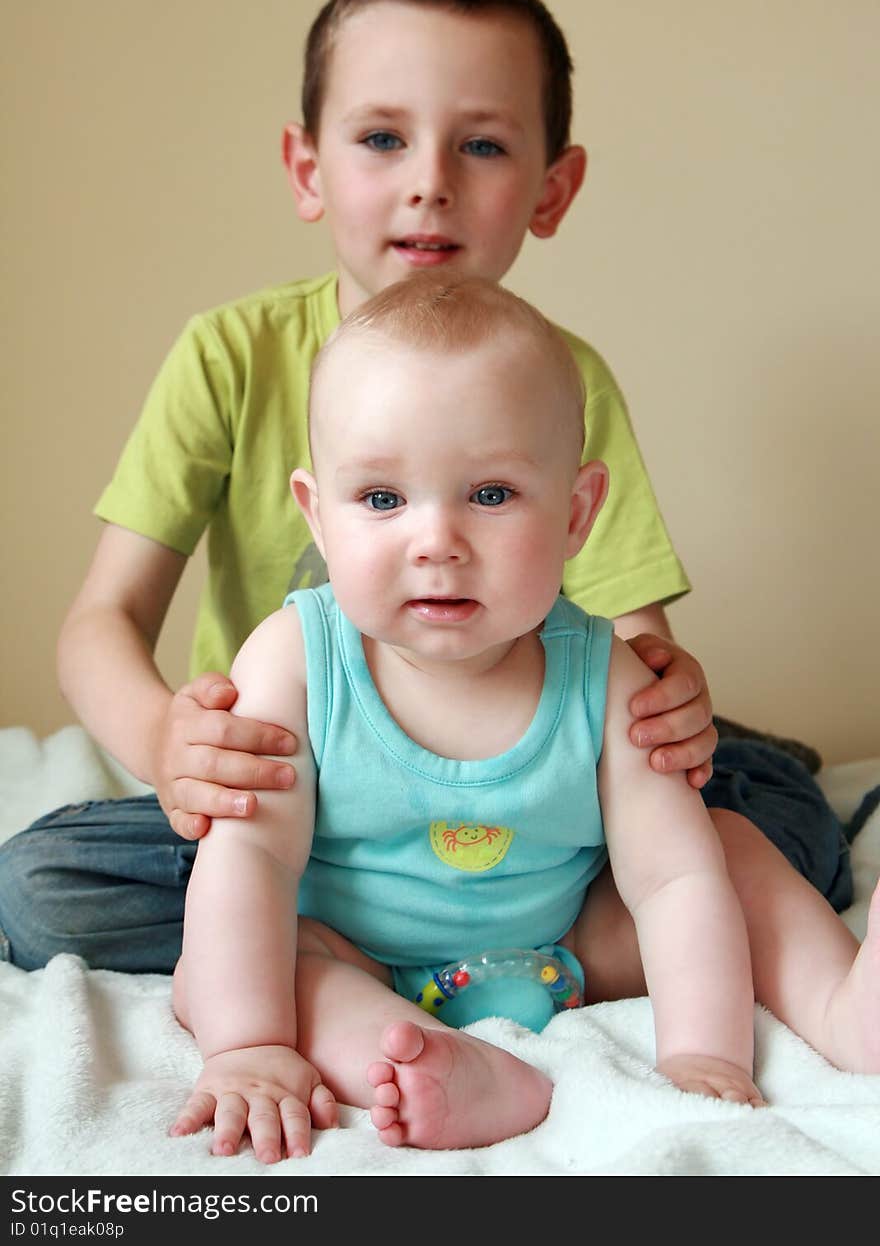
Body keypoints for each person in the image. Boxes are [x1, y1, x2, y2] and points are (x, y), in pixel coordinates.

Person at [0, 0, 849, 976]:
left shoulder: (563, 378)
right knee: (39, 890)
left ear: (553, 186)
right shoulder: (229, 355)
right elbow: (102, 621)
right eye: (382, 138)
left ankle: (424, 941)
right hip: (295, 810)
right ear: (309, 169)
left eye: (483, 145)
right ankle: (370, 931)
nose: (430, 184)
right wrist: (165, 747)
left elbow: (635, 643)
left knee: (785, 827)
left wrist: (670, 696)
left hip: (527, 822)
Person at [170, 275, 879, 1161]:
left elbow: (670, 883)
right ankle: (463, 1072)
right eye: (384, 500)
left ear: (577, 513)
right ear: (318, 513)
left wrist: (701, 1053)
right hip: (361, 955)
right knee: (224, 972)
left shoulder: (605, 674)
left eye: (493, 495)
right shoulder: (293, 663)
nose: (437, 541)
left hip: (569, 943)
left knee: (725, 848)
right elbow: (254, 866)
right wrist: (249, 1048)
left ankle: (847, 1012)